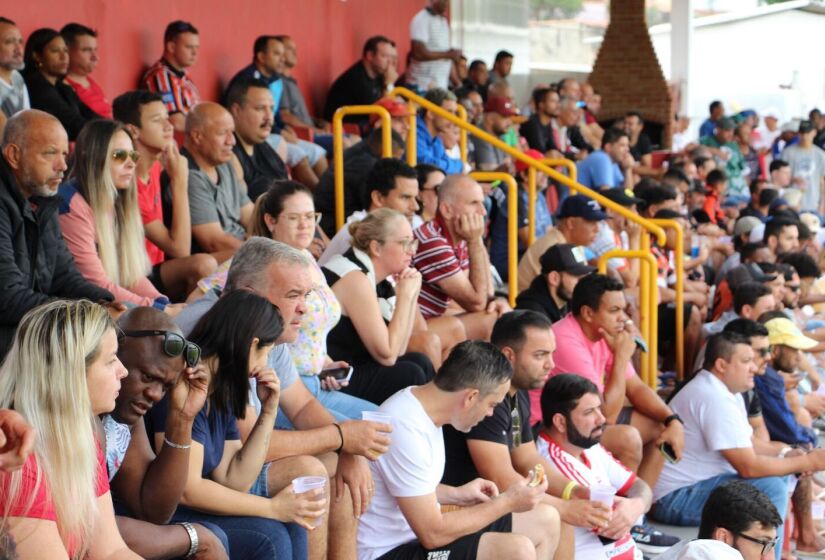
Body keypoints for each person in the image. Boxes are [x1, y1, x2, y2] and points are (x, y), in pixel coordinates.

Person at [179, 238, 391, 559]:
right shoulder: (217, 337)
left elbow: (303, 405)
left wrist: (348, 447)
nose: (304, 306)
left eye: (306, 295)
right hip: (186, 488)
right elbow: (227, 464)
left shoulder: (259, 330)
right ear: (249, 297)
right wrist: (340, 436)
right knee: (308, 472)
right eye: (294, 295)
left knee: (338, 462)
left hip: (220, 472)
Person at [146, 290, 316, 559]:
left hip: (190, 507)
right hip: (158, 510)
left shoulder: (221, 386)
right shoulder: (188, 381)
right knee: (269, 537)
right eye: (266, 353)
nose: (264, 364)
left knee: (292, 526)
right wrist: (272, 507)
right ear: (252, 345)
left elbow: (234, 478)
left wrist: (268, 413)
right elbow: (188, 489)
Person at [357, 340, 560, 560]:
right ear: (471, 397)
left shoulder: (422, 407)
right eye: (492, 404)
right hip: (387, 551)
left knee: (545, 519)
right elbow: (432, 534)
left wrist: (456, 494)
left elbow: (403, 486)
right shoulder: (404, 426)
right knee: (516, 550)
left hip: (413, 537)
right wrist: (508, 501)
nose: (490, 414)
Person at [196, 180, 377, 422]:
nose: (305, 224)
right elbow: (200, 301)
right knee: (356, 438)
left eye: (311, 216)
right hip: (278, 388)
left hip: (316, 385)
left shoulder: (307, 260)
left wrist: (324, 363)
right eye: (294, 217)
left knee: (382, 422)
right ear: (271, 221)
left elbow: (313, 328)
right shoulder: (255, 265)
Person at [442, 311, 616, 560]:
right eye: (540, 355)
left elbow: (527, 458)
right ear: (508, 356)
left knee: (558, 512)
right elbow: (501, 477)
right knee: (557, 515)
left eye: (551, 354)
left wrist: (573, 491)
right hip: (458, 505)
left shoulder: (517, 392)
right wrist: (565, 507)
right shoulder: (487, 396)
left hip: (486, 500)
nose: (551, 364)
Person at [650, 331, 825, 558]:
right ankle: (773, 553)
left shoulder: (727, 391)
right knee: (772, 485)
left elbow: (749, 443)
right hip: (675, 498)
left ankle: (796, 543)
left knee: (786, 467)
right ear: (722, 365)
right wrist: (808, 460)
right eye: (746, 361)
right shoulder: (712, 395)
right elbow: (748, 466)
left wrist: (788, 452)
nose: (754, 367)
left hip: (699, 486)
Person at [0, 300, 139, 558]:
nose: (123, 371)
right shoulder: (18, 462)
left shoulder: (81, 434)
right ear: (71, 374)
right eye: (110, 361)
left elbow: (111, 550)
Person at [543, 274, 685, 493]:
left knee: (659, 427)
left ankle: (638, 512)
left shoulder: (605, 334)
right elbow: (606, 414)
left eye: (623, 310)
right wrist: (621, 356)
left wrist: (672, 420)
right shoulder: (566, 339)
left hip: (585, 416)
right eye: (614, 311)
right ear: (588, 313)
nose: (624, 319)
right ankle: (618, 514)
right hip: (552, 428)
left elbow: (636, 387)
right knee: (628, 438)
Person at [107, 307, 228, 559]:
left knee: (214, 534)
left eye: (166, 386)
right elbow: (88, 528)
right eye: (148, 376)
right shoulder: (71, 413)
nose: (155, 394)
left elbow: (152, 511)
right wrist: (195, 537)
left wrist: (182, 419)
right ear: (115, 350)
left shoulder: (125, 415)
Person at [0, 110, 115, 357]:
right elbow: (7, 298)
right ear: (13, 155)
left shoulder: (44, 200)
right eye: (50, 153)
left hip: (29, 339)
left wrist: (104, 301)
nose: (63, 166)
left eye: (64, 154)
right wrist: (83, 314)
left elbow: (64, 276)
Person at [57, 119, 178, 310]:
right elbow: (97, 284)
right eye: (119, 155)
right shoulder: (70, 204)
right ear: (95, 156)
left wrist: (162, 302)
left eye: (133, 155)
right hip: (79, 311)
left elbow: (131, 276)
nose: (131, 164)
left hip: (107, 304)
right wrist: (159, 310)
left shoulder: (117, 200)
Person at [112, 90, 218, 301]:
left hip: (158, 267)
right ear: (133, 130)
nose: (168, 126)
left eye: (167, 118)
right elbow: (180, 250)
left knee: (241, 256)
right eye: (156, 120)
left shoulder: (155, 165)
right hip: (135, 277)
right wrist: (180, 181)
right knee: (203, 265)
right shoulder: (126, 182)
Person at [323, 208, 436, 405]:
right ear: (376, 247)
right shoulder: (354, 277)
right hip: (334, 378)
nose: (412, 250)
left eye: (413, 242)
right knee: (409, 374)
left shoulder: (378, 279)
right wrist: (404, 296)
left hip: (353, 369)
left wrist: (411, 295)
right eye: (404, 243)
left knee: (420, 361)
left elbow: (400, 348)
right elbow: (388, 355)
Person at [538, 373, 656, 558]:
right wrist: (628, 510)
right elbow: (606, 520)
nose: (601, 419)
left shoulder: (589, 447)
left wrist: (636, 505)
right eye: (589, 412)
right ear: (560, 422)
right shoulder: (549, 462)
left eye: (598, 409)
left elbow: (640, 487)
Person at [413, 174, 509, 340]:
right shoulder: (433, 242)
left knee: (498, 312)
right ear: (447, 210)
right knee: (493, 322)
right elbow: (476, 303)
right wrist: (476, 241)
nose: (483, 211)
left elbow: (481, 291)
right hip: (414, 331)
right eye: (474, 203)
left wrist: (496, 299)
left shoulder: (457, 235)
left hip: (433, 320)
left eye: (482, 201)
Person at [224, 36, 327, 188]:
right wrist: (280, 132)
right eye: (277, 54)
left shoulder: (275, 80)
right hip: (266, 137)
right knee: (295, 153)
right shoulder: (246, 80)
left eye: (269, 109)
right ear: (261, 56)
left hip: (270, 136)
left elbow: (277, 116)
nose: (282, 59)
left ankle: (327, 200)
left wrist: (284, 128)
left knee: (318, 152)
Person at [183, 102, 253, 258]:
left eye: (232, 133)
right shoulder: (189, 175)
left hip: (243, 249)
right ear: (197, 136)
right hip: (220, 261)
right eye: (223, 133)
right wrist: (265, 254)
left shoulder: (224, 164)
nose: (232, 141)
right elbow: (214, 242)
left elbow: (251, 216)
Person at [320, 158, 420, 266]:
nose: (415, 206)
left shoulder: (393, 229)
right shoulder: (359, 234)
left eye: (415, 198)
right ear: (378, 198)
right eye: (405, 197)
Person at [315, 127, 405, 236]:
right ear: (382, 148)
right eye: (396, 157)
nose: (397, 162)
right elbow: (372, 205)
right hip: (336, 224)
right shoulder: (367, 165)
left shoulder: (358, 152)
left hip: (332, 217)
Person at [656, 481, 782, 560]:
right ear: (723, 538)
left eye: (772, 544)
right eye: (763, 543)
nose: (770, 558)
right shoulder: (700, 554)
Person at [22, 28, 101, 141]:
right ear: (37, 56)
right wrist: (107, 131)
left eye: (65, 51)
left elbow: (90, 114)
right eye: (55, 51)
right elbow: (71, 121)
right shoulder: (36, 85)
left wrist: (116, 127)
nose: (64, 57)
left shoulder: (63, 88)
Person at [517, 194, 607, 292]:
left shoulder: (570, 244)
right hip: (531, 305)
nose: (597, 229)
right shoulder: (554, 248)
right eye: (592, 222)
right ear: (571, 223)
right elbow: (571, 292)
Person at [487, 148, 554, 277]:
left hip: (528, 255)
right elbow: (529, 241)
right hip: (509, 261)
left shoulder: (539, 196)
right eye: (539, 170)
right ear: (524, 175)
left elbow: (549, 231)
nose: (546, 174)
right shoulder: (516, 196)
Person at [225, 77, 288, 201]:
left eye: (271, 108)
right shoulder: (228, 153)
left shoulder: (267, 150)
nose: (269, 116)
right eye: (260, 108)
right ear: (236, 111)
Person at [324, 35, 397, 132]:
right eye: (384, 56)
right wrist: (389, 84)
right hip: (343, 129)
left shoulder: (380, 75)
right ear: (370, 56)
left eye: (391, 57)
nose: (390, 62)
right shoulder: (356, 78)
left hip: (362, 126)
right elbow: (378, 112)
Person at [142, 20, 200, 132]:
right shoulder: (160, 76)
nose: (195, 53)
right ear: (171, 47)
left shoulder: (185, 75)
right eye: (189, 47)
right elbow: (176, 122)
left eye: (197, 48)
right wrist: (206, 130)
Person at [516, 243, 595, 323]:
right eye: (578, 279)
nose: (583, 284)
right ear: (554, 278)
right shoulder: (532, 314)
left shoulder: (569, 301)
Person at [407, 0, 460, 92]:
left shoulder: (443, 21)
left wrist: (457, 82)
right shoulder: (422, 19)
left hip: (440, 86)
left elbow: (446, 55)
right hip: (421, 86)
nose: (446, 3)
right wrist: (448, 55)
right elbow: (418, 53)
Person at [61, 23, 111, 118]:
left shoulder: (92, 83)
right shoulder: (63, 87)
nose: (95, 57)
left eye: (95, 50)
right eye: (86, 50)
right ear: (66, 51)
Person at [415, 87, 464, 175]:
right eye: (449, 112)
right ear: (430, 113)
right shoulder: (413, 132)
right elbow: (428, 167)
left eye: (455, 113)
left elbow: (444, 162)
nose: (453, 119)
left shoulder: (435, 138)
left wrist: (458, 165)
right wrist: (459, 165)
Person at [781, 119, 825, 214]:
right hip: (792, 203)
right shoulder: (787, 152)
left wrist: (822, 204)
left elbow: (822, 181)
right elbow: (780, 179)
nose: (804, 136)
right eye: (802, 133)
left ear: (814, 133)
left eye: (807, 133)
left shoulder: (820, 155)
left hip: (813, 203)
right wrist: (793, 179)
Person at [576, 127, 635, 191]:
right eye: (622, 145)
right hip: (579, 200)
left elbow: (627, 193)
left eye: (627, 145)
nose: (627, 149)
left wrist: (628, 169)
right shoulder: (601, 158)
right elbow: (607, 193)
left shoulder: (613, 162)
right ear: (608, 147)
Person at [470, 95, 516, 172]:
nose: (509, 122)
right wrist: (505, 168)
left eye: (509, 118)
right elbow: (490, 173)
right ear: (490, 119)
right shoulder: (480, 134)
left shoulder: (500, 135)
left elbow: (509, 166)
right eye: (505, 117)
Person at [0, 18, 29, 129]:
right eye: (9, 42)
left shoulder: (17, 77)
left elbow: (27, 120)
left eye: (20, 41)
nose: (19, 49)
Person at [520, 87, 562, 158]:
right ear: (541, 105)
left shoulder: (548, 123)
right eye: (553, 101)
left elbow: (554, 149)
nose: (558, 105)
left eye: (558, 102)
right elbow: (541, 153)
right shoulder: (532, 123)